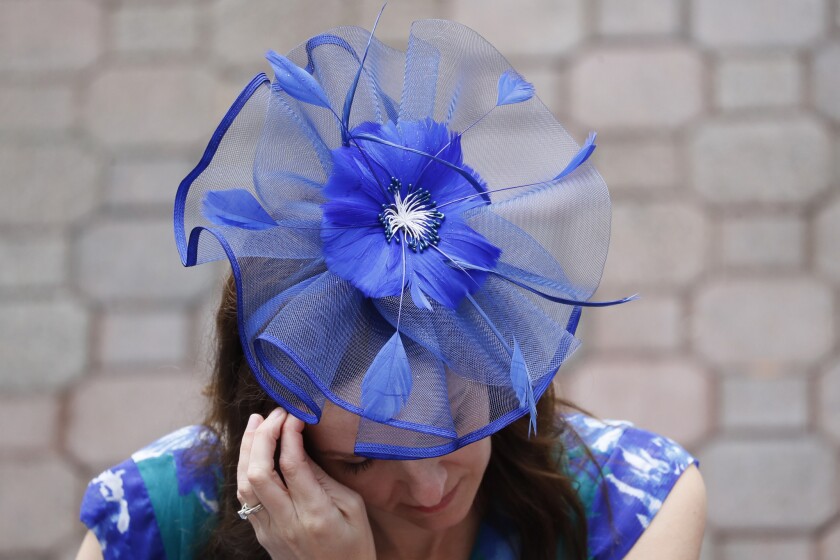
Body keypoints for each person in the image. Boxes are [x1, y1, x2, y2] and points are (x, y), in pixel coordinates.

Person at [77, 16, 706, 560]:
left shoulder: (638, 510)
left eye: (455, 424)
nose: (430, 490)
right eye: (361, 461)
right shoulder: (152, 524)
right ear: (271, 433)